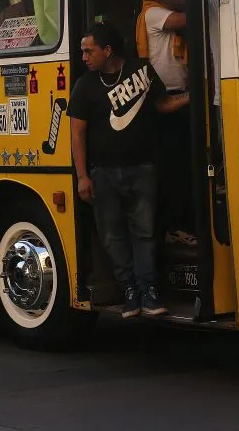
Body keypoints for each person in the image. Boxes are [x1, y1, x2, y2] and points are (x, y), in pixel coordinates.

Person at [67, 21, 189, 318]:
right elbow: (77, 134)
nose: (83, 57)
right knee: (112, 236)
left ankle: (148, 292)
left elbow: (162, 104)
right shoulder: (84, 86)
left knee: (145, 233)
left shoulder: (141, 71)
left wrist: (192, 96)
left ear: (108, 50)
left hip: (142, 169)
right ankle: (129, 291)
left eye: (88, 50)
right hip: (103, 174)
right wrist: (83, 176)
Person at [134, 0, 196, 249]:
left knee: (186, 166)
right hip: (166, 97)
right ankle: (175, 226)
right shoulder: (154, 12)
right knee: (173, 169)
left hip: (182, 94)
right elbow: (188, 18)